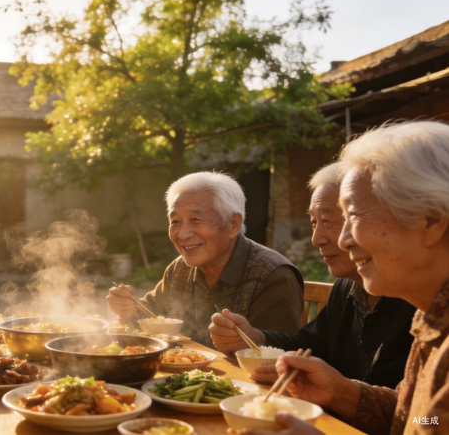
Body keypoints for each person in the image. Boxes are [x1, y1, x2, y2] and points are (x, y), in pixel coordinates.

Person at [243, 122, 449, 435]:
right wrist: (342, 393)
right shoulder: (433, 316)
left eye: (354, 215)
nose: (343, 240)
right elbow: (420, 419)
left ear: (430, 220)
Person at [209, 163, 415, 388]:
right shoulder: (346, 285)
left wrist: (341, 392)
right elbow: (311, 344)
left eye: (328, 221)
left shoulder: (420, 300)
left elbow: (416, 408)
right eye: (314, 222)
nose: (317, 239)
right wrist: (254, 337)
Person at [107, 171, 304, 347]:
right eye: (175, 221)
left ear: (233, 224)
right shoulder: (180, 268)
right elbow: (153, 314)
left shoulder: (273, 275)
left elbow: (281, 354)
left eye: (195, 219)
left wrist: (251, 340)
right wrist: (129, 308)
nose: (182, 234)